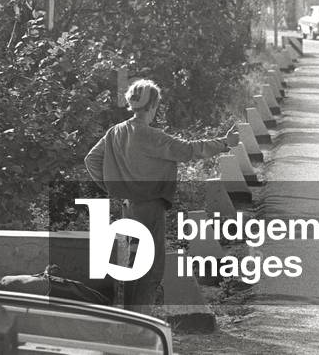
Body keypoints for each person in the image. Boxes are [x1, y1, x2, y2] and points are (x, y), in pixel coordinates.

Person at [84, 79, 239, 314]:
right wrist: (225, 143)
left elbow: (91, 160)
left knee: (131, 265)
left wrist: (115, 188)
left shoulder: (115, 132)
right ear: (153, 105)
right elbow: (188, 150)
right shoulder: (150, 135)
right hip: (150, 208)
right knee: (150, 268)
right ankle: (140, 321)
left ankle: (130, 318)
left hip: (128, 207)